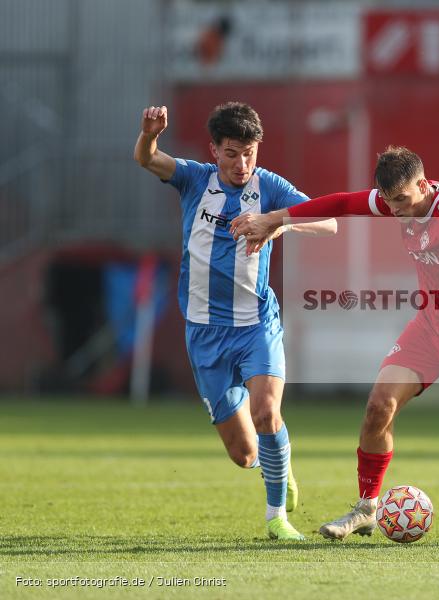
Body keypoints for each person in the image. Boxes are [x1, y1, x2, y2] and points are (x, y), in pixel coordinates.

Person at [229, 146, 439, 539]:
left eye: (402, 201)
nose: (394, 210)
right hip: (432, 326)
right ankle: (366, 507)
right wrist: (273, 220)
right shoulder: (395, 200)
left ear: (424, 185)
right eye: (388, 201)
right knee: (379, 405)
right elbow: (343, 203)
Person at [133, 102, 337, 541]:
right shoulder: (193, 179)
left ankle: (276, 518)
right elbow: (148, 159)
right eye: (231, 153)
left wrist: (274, 221)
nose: (241, 163)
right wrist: (150, 134)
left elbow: (328, 221)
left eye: (249, 152)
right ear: (214, 151)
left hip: (255, 324)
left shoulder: (270, 188)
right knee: (244, 453)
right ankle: (277, 464)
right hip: (204, 332)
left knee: (267, 412)